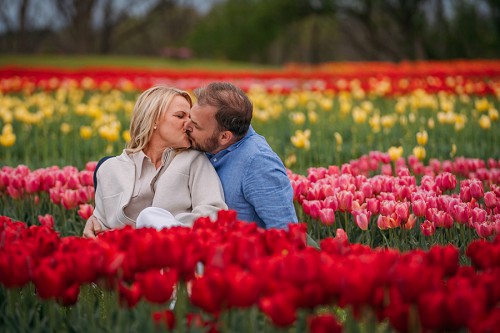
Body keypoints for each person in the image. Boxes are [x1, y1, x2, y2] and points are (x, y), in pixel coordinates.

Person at [146, 81, 297, 229]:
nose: (187, 125)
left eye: (196, 125)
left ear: (224, 137)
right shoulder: (206, 144)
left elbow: (286, 233)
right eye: (190, 118)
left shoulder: (259, 163)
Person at [82, 86, 227, 238]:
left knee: (150, 216)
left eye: (189, 117)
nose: (189, 124)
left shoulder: (195, 160)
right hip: (124, 254)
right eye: (180, 116)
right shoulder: (109, 169)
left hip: (176, 245)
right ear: (153, 120)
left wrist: (161, 227)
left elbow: (213, 212)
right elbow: (98, 227)